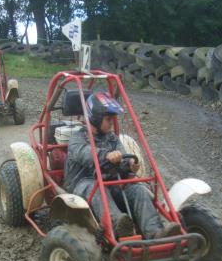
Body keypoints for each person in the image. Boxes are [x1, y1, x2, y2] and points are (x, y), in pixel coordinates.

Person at [63, 92, 181, 239]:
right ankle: (118, 224)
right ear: (95, 118)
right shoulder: (77, 139)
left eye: (112, 119)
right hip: (82, 184)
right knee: (97, 188)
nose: (112, 122)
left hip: (110, 183)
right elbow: (86, 154)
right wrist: (105, 155)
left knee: (138, 189)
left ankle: (155, 233)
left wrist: (130, 165)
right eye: (108, 119)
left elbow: (123, 158)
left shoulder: (112, 138)